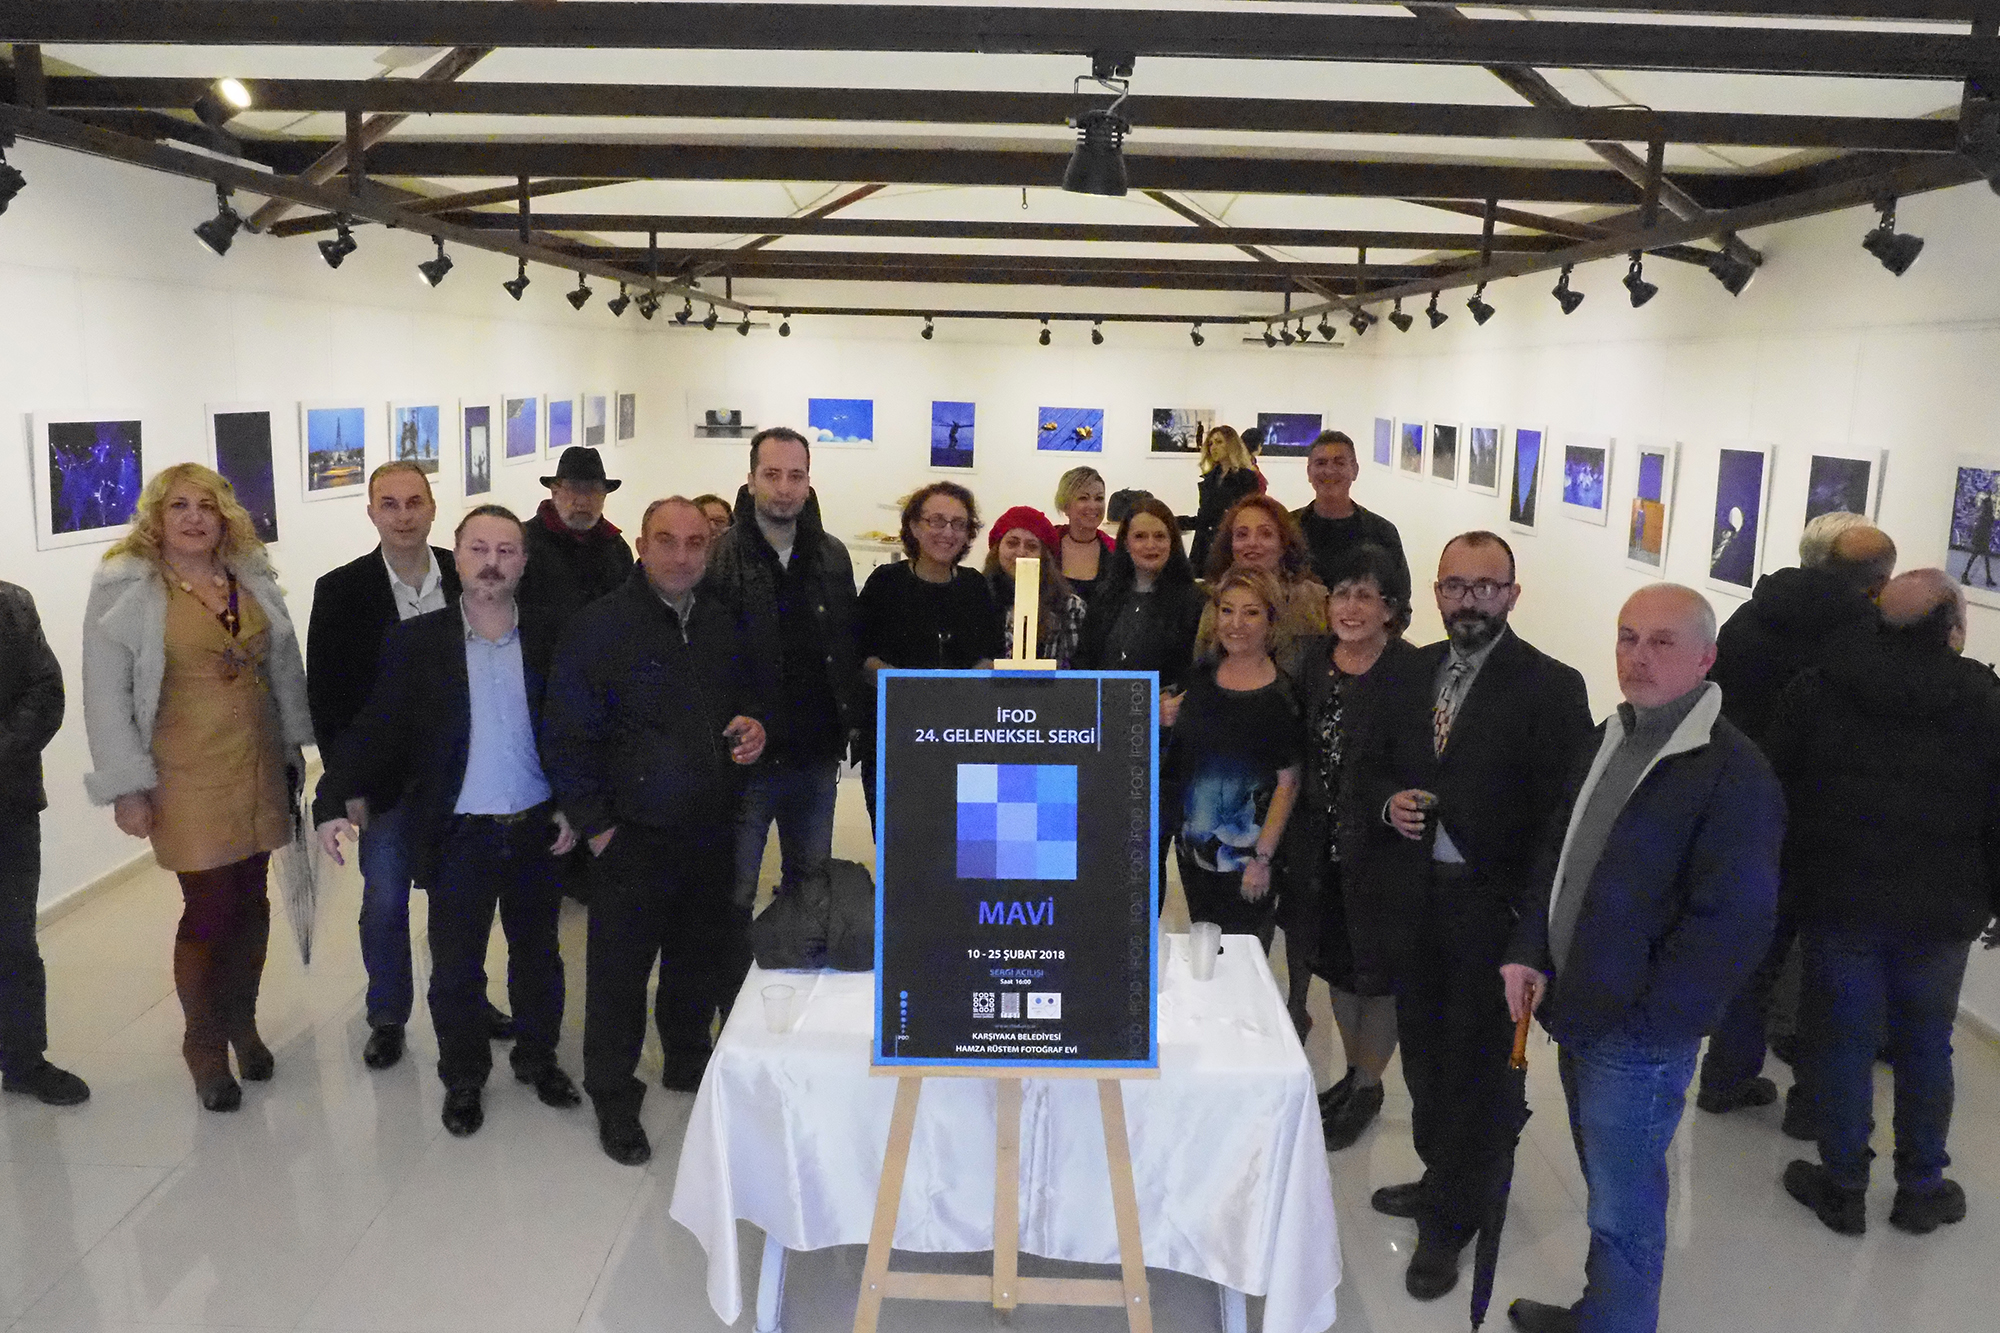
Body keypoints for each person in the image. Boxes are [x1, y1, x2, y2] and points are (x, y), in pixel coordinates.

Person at [1501, 584, 1782, 1333]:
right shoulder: (1612, 734)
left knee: (1624, 1207)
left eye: (1662, 642)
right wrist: (1530, 950)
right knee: (1606, 1186)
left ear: (1706, 657)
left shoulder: (1734, 772)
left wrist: (1651, 1022)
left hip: (1636, 1035)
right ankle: (1603, 1312)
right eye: (1628, 637)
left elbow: (1734, 924)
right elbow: (1560, 853)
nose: (1638, 656)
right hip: (1580, 1007)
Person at [1349, 530, 1593, 1301]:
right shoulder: (1406, 670)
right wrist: (1387, 803)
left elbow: (1561, 821)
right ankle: (1444, 1176)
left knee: (1477, 1068)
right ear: (1435, 592)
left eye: (1486, 587)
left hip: (1491, 912)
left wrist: (1533, 933)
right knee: (1424, 1055)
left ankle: (1454, 1216)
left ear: (1513, 594)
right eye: (1454, 586)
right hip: (1413, 903)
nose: (1469, 601)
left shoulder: (1552, 686)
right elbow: (1367, 765)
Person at [314, 506, 582, 1139]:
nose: (491, 563)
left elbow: (578, 730)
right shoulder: (418, 643)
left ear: (523, 562)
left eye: (506, 551)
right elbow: (376, 728)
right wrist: (331, 799)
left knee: (538, 957)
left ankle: (537, 1059)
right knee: (457, 967)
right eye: (478, 549)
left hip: (538, 828)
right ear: (455, 557)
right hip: (459, 833)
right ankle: (463, 1078)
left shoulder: (553, 635)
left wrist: (577, 803)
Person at [1765, 570, 2000, 1238]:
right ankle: (1921, 1187)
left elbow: (1779, 790)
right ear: (1953, 626)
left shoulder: (1820, 687)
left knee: (1842, 1042)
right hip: (1943, 909)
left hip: (1839, 899)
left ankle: (1842, 1185)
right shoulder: (1984, 699)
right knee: (1926, 1045)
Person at [82, 463, 315, 1111]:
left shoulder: (249, 574)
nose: (193, 518)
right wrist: (127, 787)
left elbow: (282, 666)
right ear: (156, 518)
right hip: (182, 772)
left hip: (258, 760)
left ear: (224, 516)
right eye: (178, 506)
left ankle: (243, 1022)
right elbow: (105, 695)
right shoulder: (127, 587)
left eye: (206, 506)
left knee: (253, 899)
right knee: (209, 907)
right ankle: (204, 1044)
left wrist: (295, 746)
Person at [545, 497, 766, 1165]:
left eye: (695, 542)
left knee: (696, 957)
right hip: (630, 836)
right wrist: (598, 829)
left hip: (708, 827)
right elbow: (567, 735)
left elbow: (747, 703)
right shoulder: (599, 627)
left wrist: (755, 727)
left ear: (710, 548)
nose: (681, 555)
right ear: (640, 545)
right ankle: (614, 1094)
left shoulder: (722, 622)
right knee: (619, 974)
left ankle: (686, 1058)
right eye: (666, 540)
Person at [307, 462, 510, 1073]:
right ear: (371, 512)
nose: (403, 516)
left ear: (432, 508)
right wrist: (347, 786)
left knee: (464, 903)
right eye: (389, 504)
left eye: (414, 502)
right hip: (385, 784)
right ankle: (387, 1015)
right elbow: (329, 701)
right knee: (385, 900)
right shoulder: (341, 591)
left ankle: (468, 1000)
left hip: (462, 775)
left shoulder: (464, 570)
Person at [1696, 518, 1897, 1120]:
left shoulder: (1751, 615)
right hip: (1832, 825)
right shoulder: (1870, 642)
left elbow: (1715, 704)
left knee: (1753, 956)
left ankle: (1725, 1079)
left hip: (1750, 810)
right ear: (1877, 584)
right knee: (1827, 970)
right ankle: (1811, 1105)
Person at [1281, 542, 1416, 1147]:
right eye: (1342, 593)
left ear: (1390, 609)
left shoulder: (1411, 670)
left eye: (1366, 596)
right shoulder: (1315, 660)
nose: (1351, 607)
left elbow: (1418, 761)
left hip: (1382, 851)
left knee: (1377, 975)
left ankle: (1368, 1083)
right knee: (1336, 963)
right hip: (1318, 846)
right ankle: (1354, 1074)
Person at [702, 428, 860, 926]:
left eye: (796, 475)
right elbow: (707, 658)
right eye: (772, 475)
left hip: (815, 753)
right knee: (734, 889)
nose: (785, 488)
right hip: (745, 756)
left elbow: (844, 644)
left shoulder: (832, 555)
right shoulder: (719, 556)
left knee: (811, 885)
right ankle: (729, 975)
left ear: (809, 482)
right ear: (750, 480)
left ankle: (797, 968)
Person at [1170, 568, 1303, 944]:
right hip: (1194, 851)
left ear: (1271, 620)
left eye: (1251, 612)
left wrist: (1262, 860)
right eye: (1227, 610)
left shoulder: (1281, 696)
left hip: (1247, 861)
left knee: (1243, 960)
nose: (1236, 624)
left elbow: (1288, 784)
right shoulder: (1201, 674)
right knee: (1204, 952)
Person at [857, 481, 1003, 823]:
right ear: (914, 526)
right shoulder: (885, 583)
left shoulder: (975, 586)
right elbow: (860, 655)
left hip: (962, 743)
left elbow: (991, 654)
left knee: (958, 843)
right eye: (936, 521)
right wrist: (910, 688)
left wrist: (967, 683)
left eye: (958, 524)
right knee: (899, 843)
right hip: (894, 743)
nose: (948, 532)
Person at [0, 581, 88, 1106]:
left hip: (6, 801)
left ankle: (22, 1060)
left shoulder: (10, 605)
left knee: (12, 939)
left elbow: (45, 691)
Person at [1075, 497, 1205, 691]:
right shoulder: (1104, 596)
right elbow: (1084, 660)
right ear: (1126, 544)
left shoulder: (1193, 602)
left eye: (1159, 536)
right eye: (1140, 536)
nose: (1150, 545)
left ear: (1172, 542)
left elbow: (1198, 669)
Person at [1196, 494, 1330, 679]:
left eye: (1265, 534)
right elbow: (1200, 672)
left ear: (1284, 543)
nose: (1252, 543)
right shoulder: (1214, 602)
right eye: (1242, 534)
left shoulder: (1315, 601)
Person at [522, 446, 634, 626]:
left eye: (592, 490)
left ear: (604, 496)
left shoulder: (618, 550)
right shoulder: (523, 544)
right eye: (573, 489)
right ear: (555, 492)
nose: (582, 501)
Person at [1291, 430, 1410, 599]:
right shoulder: (1288, 527)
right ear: (1309, 472)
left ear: (1354, 470)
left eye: (1339, 463)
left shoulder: (1382, 532)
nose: (1329, 471)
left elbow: (1400, 599)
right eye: (1321, 463)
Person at [983, 506, 1086, 667]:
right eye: (1012, 543)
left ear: (1044, 556)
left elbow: (1079, 669)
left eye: (1031, 546)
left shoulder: (1070, 607)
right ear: (998, 549)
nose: (1021, 552)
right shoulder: (978, 598)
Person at [1187, 424, 1261, 573]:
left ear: (1231, 444)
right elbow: (1204, 518)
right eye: (1210, 443)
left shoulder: (1246, 479)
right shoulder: (1209, 480)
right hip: (1204, 549)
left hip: (1230, 548)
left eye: (1219, 442)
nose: (1213, 447)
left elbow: (1248, 517)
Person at [1052, 465, 1113, 602]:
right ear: (1065, 505)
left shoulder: (1114, 551)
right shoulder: (1048, 547)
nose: (1093, 506)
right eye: (1083, 498)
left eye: (1099, 498)